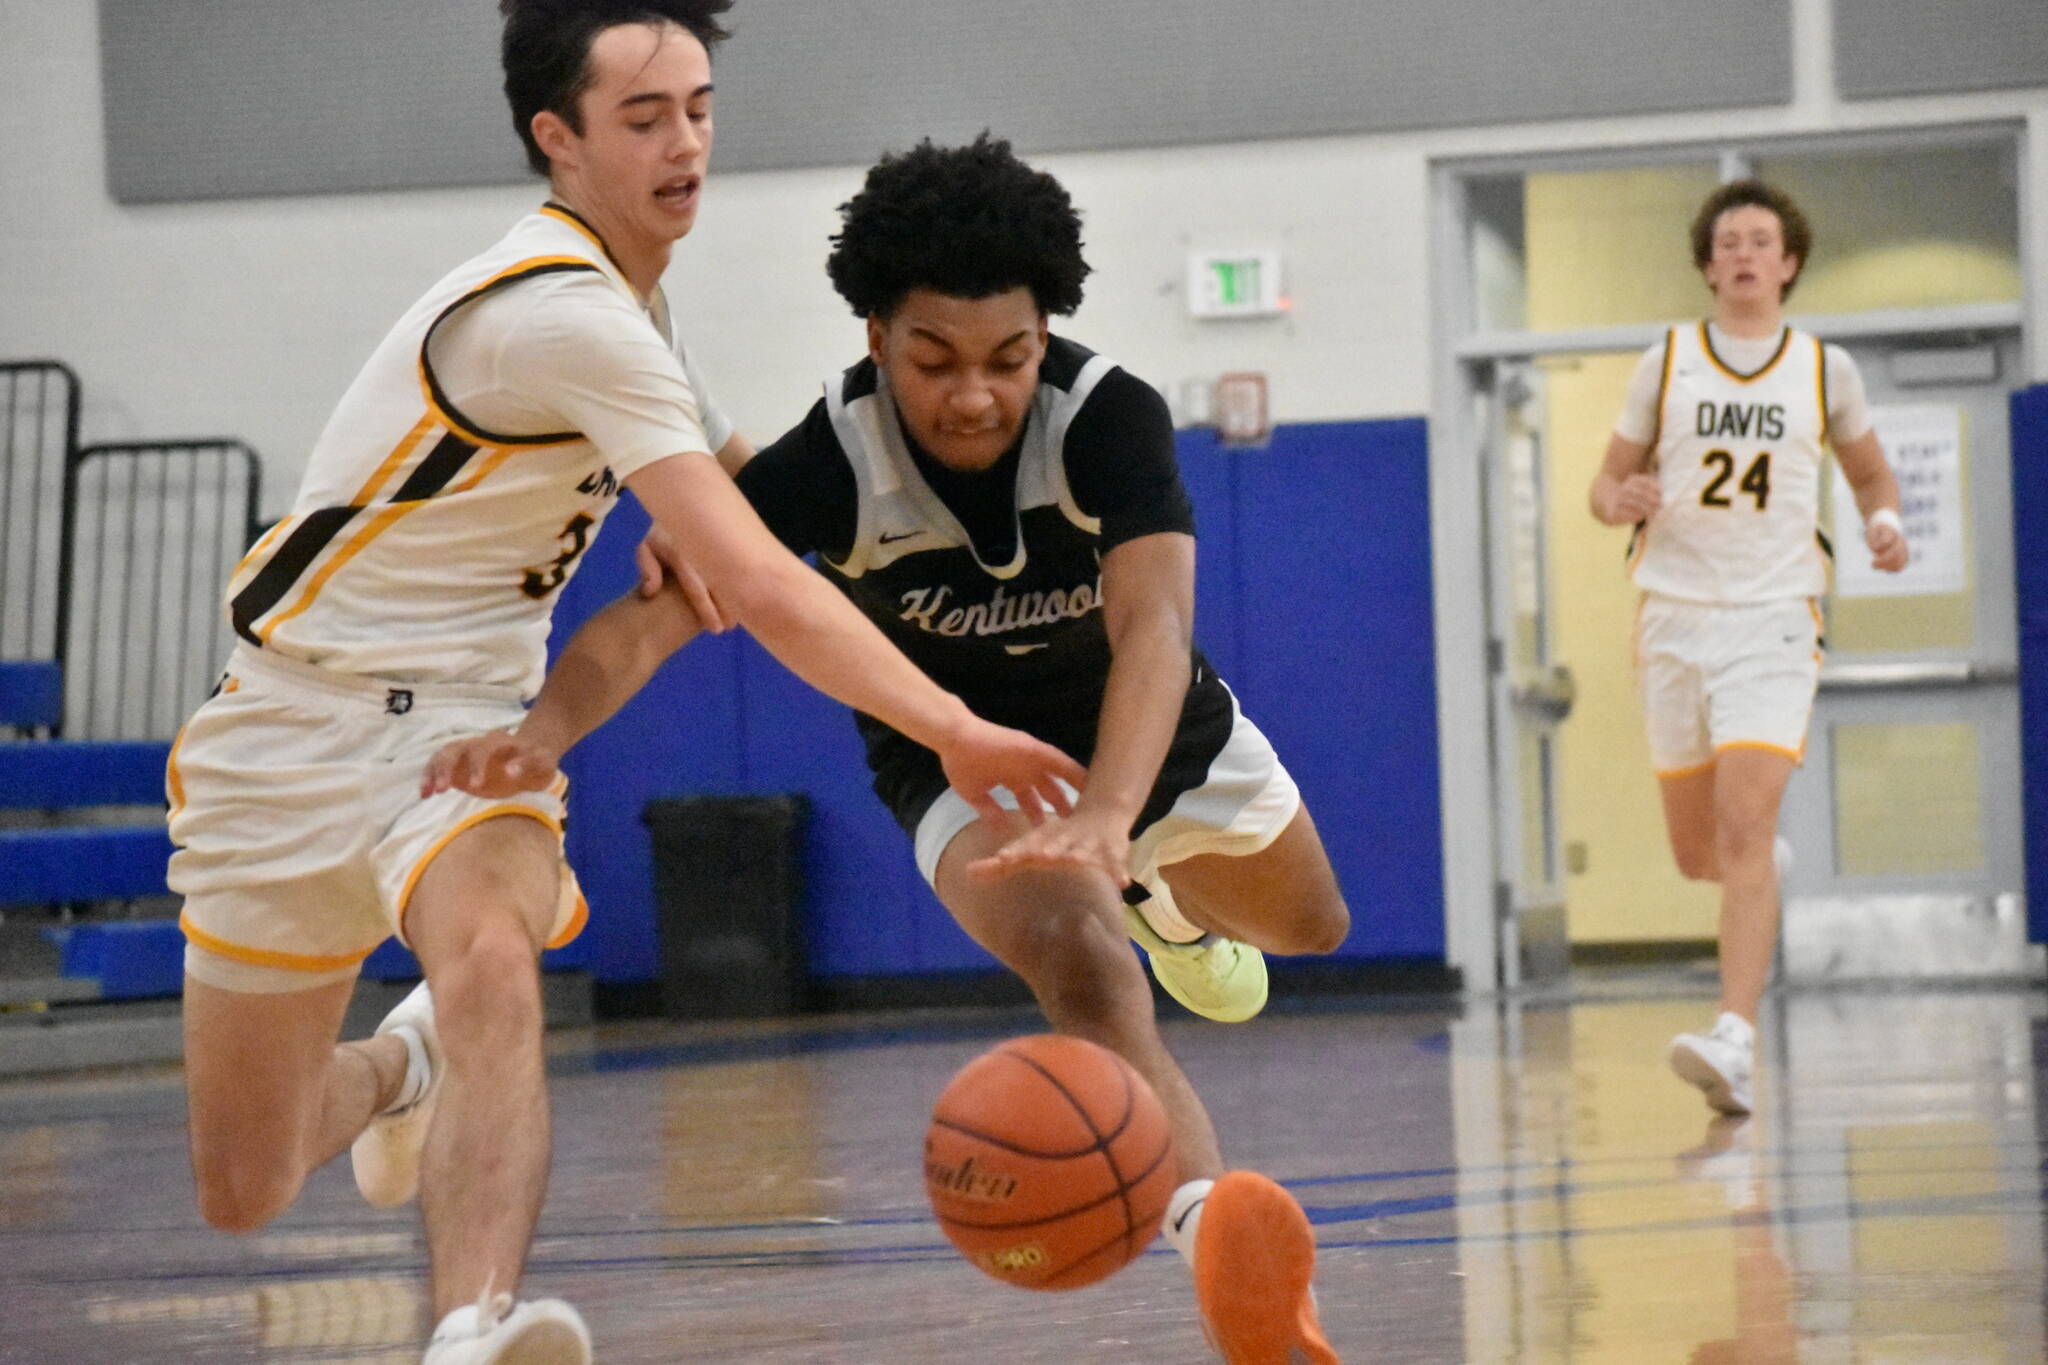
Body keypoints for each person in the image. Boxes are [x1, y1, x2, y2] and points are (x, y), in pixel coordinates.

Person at [165, 9, 1081, 1364]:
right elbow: (756, 582)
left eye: (700, 108)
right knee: (246, 1184)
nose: (686, 144)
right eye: (644, 117)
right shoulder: (562, 314)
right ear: (561, 137)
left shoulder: (634, 308)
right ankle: (402, 1069)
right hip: (288, 728)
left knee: (490, 964)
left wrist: (953, 585)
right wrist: (945, 721)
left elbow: (755, 498)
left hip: (467, 733)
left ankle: (473, 1324)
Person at [429, 134, 1351, 1362]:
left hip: (1154, 733)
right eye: (933, 359)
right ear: (875, 337)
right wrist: (543, 731)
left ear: (1044, 340)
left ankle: (1172, 909)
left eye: (1006, 360)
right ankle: (1210, 1238)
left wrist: (1115, 814)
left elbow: (1154, 628)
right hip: (968, 767)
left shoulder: (1106, 420)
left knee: (1308, 929)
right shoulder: (828, 464)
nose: (972, 394)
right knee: (1078, 959)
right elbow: (654, 621)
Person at [1588, 179, 1909, 1117]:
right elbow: (1606, 486)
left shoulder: (1823, 368)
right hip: (1673, 617)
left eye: (1761, 240)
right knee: (1705, 855)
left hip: (1774, 616)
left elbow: (1870, 473)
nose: (1744, 254)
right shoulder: (1668, 362)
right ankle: (1759, 873)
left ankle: (1732, 1039)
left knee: (1744, 829)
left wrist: (1883, 520)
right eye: (1728, 241)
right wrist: (1622, 500)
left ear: (1789, 261)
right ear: (1706, 263)